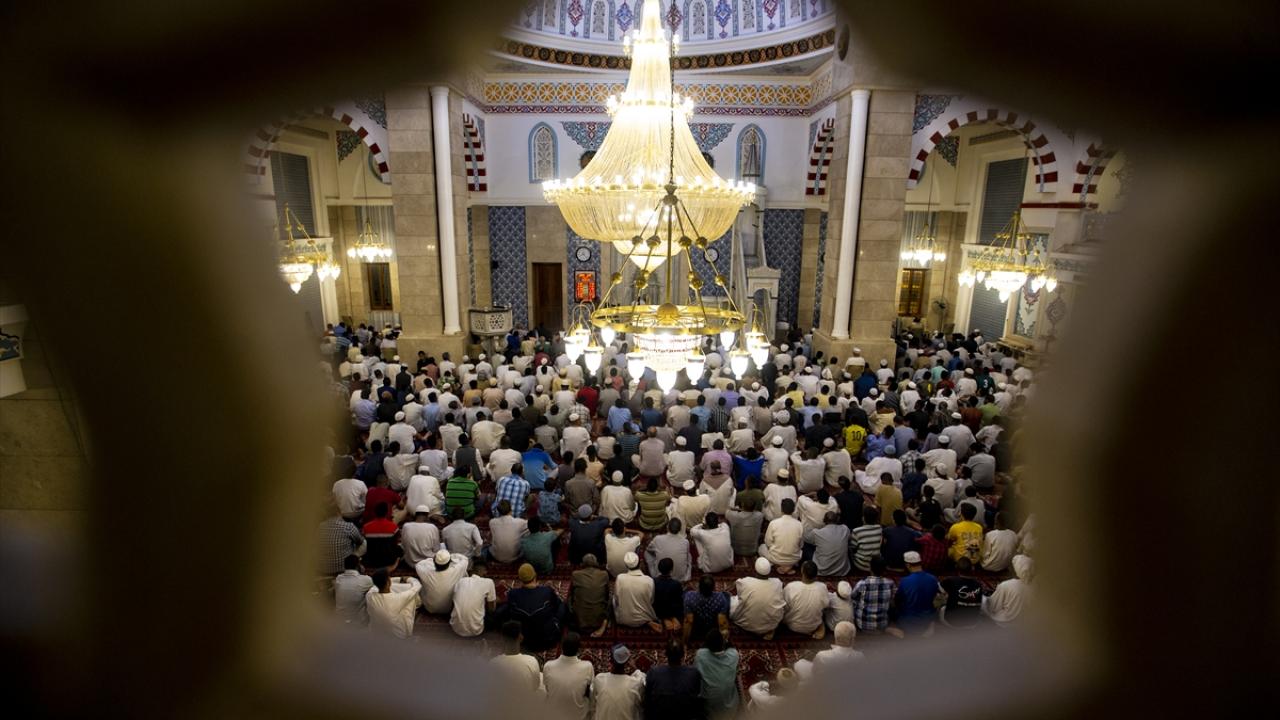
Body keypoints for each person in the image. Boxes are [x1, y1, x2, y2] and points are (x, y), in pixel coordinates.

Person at [507, 563, 568, 652]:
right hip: (547, 640)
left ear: (520, 579)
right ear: (535, 576)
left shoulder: (512, 594)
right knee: (562, 605)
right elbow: (556, 607)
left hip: (524, 641)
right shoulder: (547, 591)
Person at [645, 639, 703, 719]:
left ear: (665, 654)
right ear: (683, 655)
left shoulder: (653, 673)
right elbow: (697, 696)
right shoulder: (693, 673)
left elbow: (647, 700)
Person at [730, 557, 785, 639]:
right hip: (770, 625)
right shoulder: (777, 583)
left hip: (746, 624)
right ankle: (769, 631)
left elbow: (735, 587)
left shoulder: (746, 581)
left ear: (755, 571)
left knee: (731, 601)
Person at [545, 632, 595, 720]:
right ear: (579, 650)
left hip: (553, 715)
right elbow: (591, 692)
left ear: (561, 647)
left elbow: (547, 689)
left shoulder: (548, 666)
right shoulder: (587, 666)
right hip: (578, 716)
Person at [591, 644, 645, 720]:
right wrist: (635, 668)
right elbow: (643, 679)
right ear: (628, 662)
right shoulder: (635, 683)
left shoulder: (600, 679)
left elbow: (592, 704)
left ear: (610, 660)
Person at [693, 629, 740, 717]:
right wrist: (726, 639)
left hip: (709, 710)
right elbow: (731, 647)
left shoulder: (700, 655)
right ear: (722, 643)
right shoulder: (733, 655)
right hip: (730, 708)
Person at [490, 621, 544, 695]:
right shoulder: (531, 661)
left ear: (502, 639)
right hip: (525, 701)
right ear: (521, 637)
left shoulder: (493, 663)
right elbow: (535, 686)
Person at [365, 569, 421, 640]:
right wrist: (407, 579)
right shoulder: (399, 598)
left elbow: (374, 587)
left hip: (377, 633)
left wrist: (399, 579)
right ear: (388, 582)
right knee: (411, 599)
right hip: (399, 636)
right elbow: (417, 586)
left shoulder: (369, 595)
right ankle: (407, 635)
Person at [896, 551, 942, 635]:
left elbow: (898, 600)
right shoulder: (933, 579)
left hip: (909, 621)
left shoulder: (904, 581)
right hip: (927, 619)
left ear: (908, 565)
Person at [449, 559, 497, 637]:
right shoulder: (489, 582)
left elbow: (453, 603)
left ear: (472, 571)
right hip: (476, 630)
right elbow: (492, 609)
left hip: (455, 628)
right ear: (485, 572)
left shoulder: (461, 581)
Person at [615, 552, 661, 631]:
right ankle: (644, 620)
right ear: (639, 564)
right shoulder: (649, 580)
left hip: (622, 619)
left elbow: (617, 599)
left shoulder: (620, 578)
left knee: (613, 598)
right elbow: (651, 601)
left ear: (626, 565)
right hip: (645, 617)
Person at [783, 561, 830, 639]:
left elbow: (784, 606)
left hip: (792, 625)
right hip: (813, 626)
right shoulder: (822, 587)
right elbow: (826, 605)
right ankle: (821, 627)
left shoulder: (791, 587)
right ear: (816, 574)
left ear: (802, 571)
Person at [416, 548, 470, 615]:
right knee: (464, 574)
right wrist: (450, 556)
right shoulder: (456, 570)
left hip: (430, 608)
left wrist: (432, 559)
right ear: (449, 562)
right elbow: (465, 559)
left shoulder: (426, 573)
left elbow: (419, 564)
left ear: (434, 562)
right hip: (450, 608)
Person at [983, 554, 1034, 625]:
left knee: (983, 600)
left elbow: (993, 605)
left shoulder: (1006, 585)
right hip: (1023, 623)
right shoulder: (1036, 588)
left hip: (1005, 621)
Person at [569, 554, 611, 637]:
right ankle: (605, 623)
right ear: (596, 563)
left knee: (569, 599)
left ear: (582, 564)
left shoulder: (575, 574)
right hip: (598, 621)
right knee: (611, 599)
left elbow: (572, 594)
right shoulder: (604, 574)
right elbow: (607, 595)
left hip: (579, 621)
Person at [851, 556, 896, 634]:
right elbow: (893, 601)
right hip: (882, 625)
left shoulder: (862, 583)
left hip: (863, 625)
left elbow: (852, 596)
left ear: (870, 568)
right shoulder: (890, 583)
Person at [682, 574, 730, 645]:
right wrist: (724, 641)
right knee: (726, 595)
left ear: (699, 586)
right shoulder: (720, 597)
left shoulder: (689, 596)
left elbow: (689, 622)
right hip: (712, 627)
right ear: (713, 587)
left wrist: (684, 642)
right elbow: (722, 623)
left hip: (697, 628)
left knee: (684, 594)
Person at [759, 498, 804, 574]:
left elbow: (767, 543)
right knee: (801, 552)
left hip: (776, 558)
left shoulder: (773, 523)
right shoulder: (799, 524)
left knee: (761, 548)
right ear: (793, 510)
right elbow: (801, 545)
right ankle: (788, 567)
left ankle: (777, 566)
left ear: (781, 509)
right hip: (793, 559)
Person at [939, 559, 985, 630]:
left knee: (941, 607)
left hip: (951, 622)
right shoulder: (979, 585)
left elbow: (939, 589)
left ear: (956, 568)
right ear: (972, 568)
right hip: (972, 623)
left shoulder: (951, 581)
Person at [317, 509, 364, 576]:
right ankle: (358, 565)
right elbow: (360, 541)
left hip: (323, 569)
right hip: (343, 569)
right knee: (363, 542)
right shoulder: (348, 526)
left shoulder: (320, 526)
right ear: (339, 513)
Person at [804, 511, 851, 577]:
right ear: (837, 520)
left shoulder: (817, 533)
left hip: (822, 570)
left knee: (806, 545)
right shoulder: (845, 529)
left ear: (824, 521)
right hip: (842, 570)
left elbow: (805, 537)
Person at [646, 518, 692, 583]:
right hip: (680, 578)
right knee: (689, 556)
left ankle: (654, 574)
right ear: (680, 529)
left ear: (667, 527)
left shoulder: (658, 539)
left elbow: (648, 549)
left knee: (646, 553)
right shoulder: (685, 542)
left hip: (660, 575)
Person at [333, 554, 373, 626]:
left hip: (339, 620)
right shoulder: (366, 580)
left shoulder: (338, 579)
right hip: (357, 622)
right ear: (358, 566)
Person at [488, 500, 529, 564]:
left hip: (496, 557)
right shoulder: (520, 522)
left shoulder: (492, 522)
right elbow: (531, 525)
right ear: (511, 510)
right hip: (514, 558)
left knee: (486, 548)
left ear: (498, 511)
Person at [725, 494, 764, 560]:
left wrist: (738, 509)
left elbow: (727, 511)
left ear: (742, 505)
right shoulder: (759, 516)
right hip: (753, 550)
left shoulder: (734, 516)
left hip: (735, 549)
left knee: (725, 525)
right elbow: (757, 512)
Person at [851, 506, 884, 572]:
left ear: (863, 518)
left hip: (861, 564)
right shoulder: (880, 529)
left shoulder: (856, 531)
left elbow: (853, 548)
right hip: (876, 564)